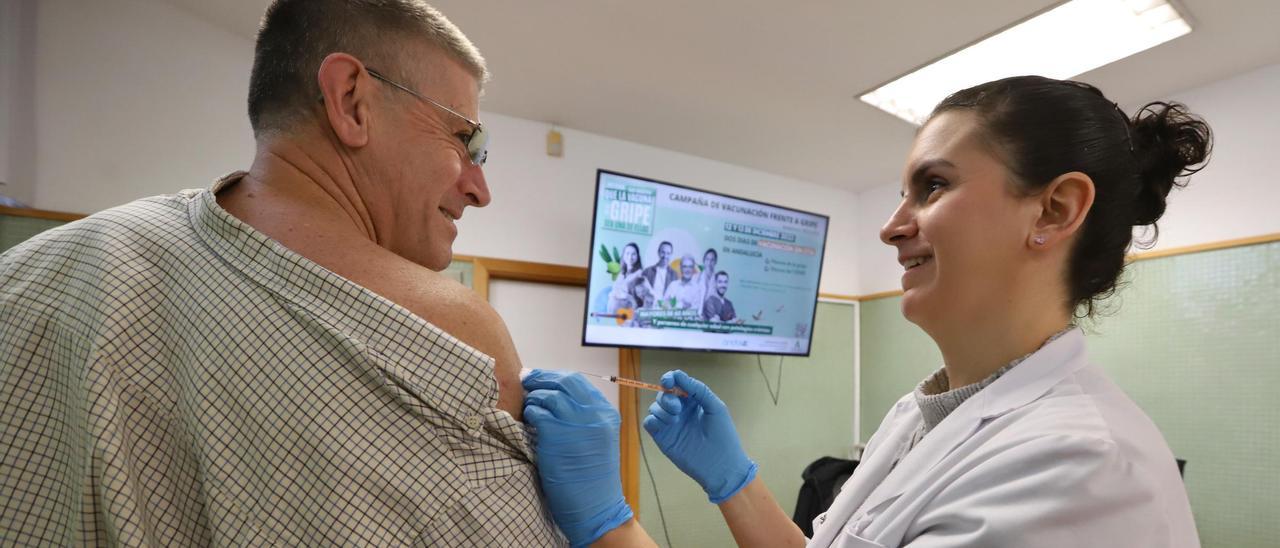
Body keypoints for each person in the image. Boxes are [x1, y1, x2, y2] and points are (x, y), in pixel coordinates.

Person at [523, 75, 1211, 547]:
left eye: (932, 186)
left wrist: (609, 525)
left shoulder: (1079, 467)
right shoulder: (921, 418)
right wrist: (736, 483)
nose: (890, 227)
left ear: (1054, 209)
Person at [0, 1, 566, 545]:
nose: (479, 188)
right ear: (351, 101)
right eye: (466, 140)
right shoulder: (452, 336)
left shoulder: (31, 271)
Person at [608, 242, 646, 314]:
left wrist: (627, 296)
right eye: (627, 253)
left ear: (638, 256)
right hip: (616, 315)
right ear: (623, 255)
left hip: (631, 315)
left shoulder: (640, 274)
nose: (630, 257)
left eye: (633, 254)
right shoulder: (621, 274)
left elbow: (640, 300)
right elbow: (614, 291)